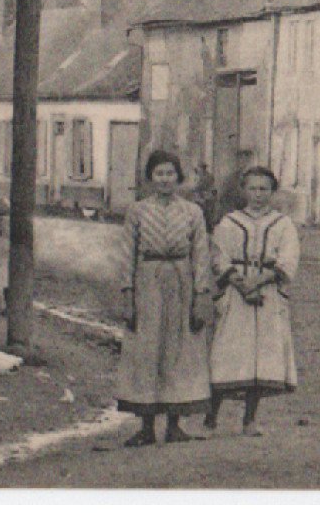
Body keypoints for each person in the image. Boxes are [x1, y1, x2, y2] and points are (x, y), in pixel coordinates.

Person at [116, 150, 214, 446]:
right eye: (159, 173)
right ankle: (146, 427)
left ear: (179, 177)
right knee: (147, 350)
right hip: (148, 281)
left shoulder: (192, 212)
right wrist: (128, 295)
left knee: (179, 349)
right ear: (149, 178)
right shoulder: (137, 211)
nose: (165, 179)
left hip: (182, 279)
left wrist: (200, 295)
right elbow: (126, 255)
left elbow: (201, 255)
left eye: (170, 173)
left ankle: (174, 425)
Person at [204, 166, 299, 436]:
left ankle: (250, 420)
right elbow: (218, 258)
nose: (258, 194)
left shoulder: (283, 224)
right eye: (253, 188)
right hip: (236, 292)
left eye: (264, 189)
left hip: (267, 294)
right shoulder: (229, 222)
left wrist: (258, 281)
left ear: (272, 192)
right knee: (226, 354)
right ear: (244, 190)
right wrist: (242, 284)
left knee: (261, 357)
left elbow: (288, 260)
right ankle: (210, 420)